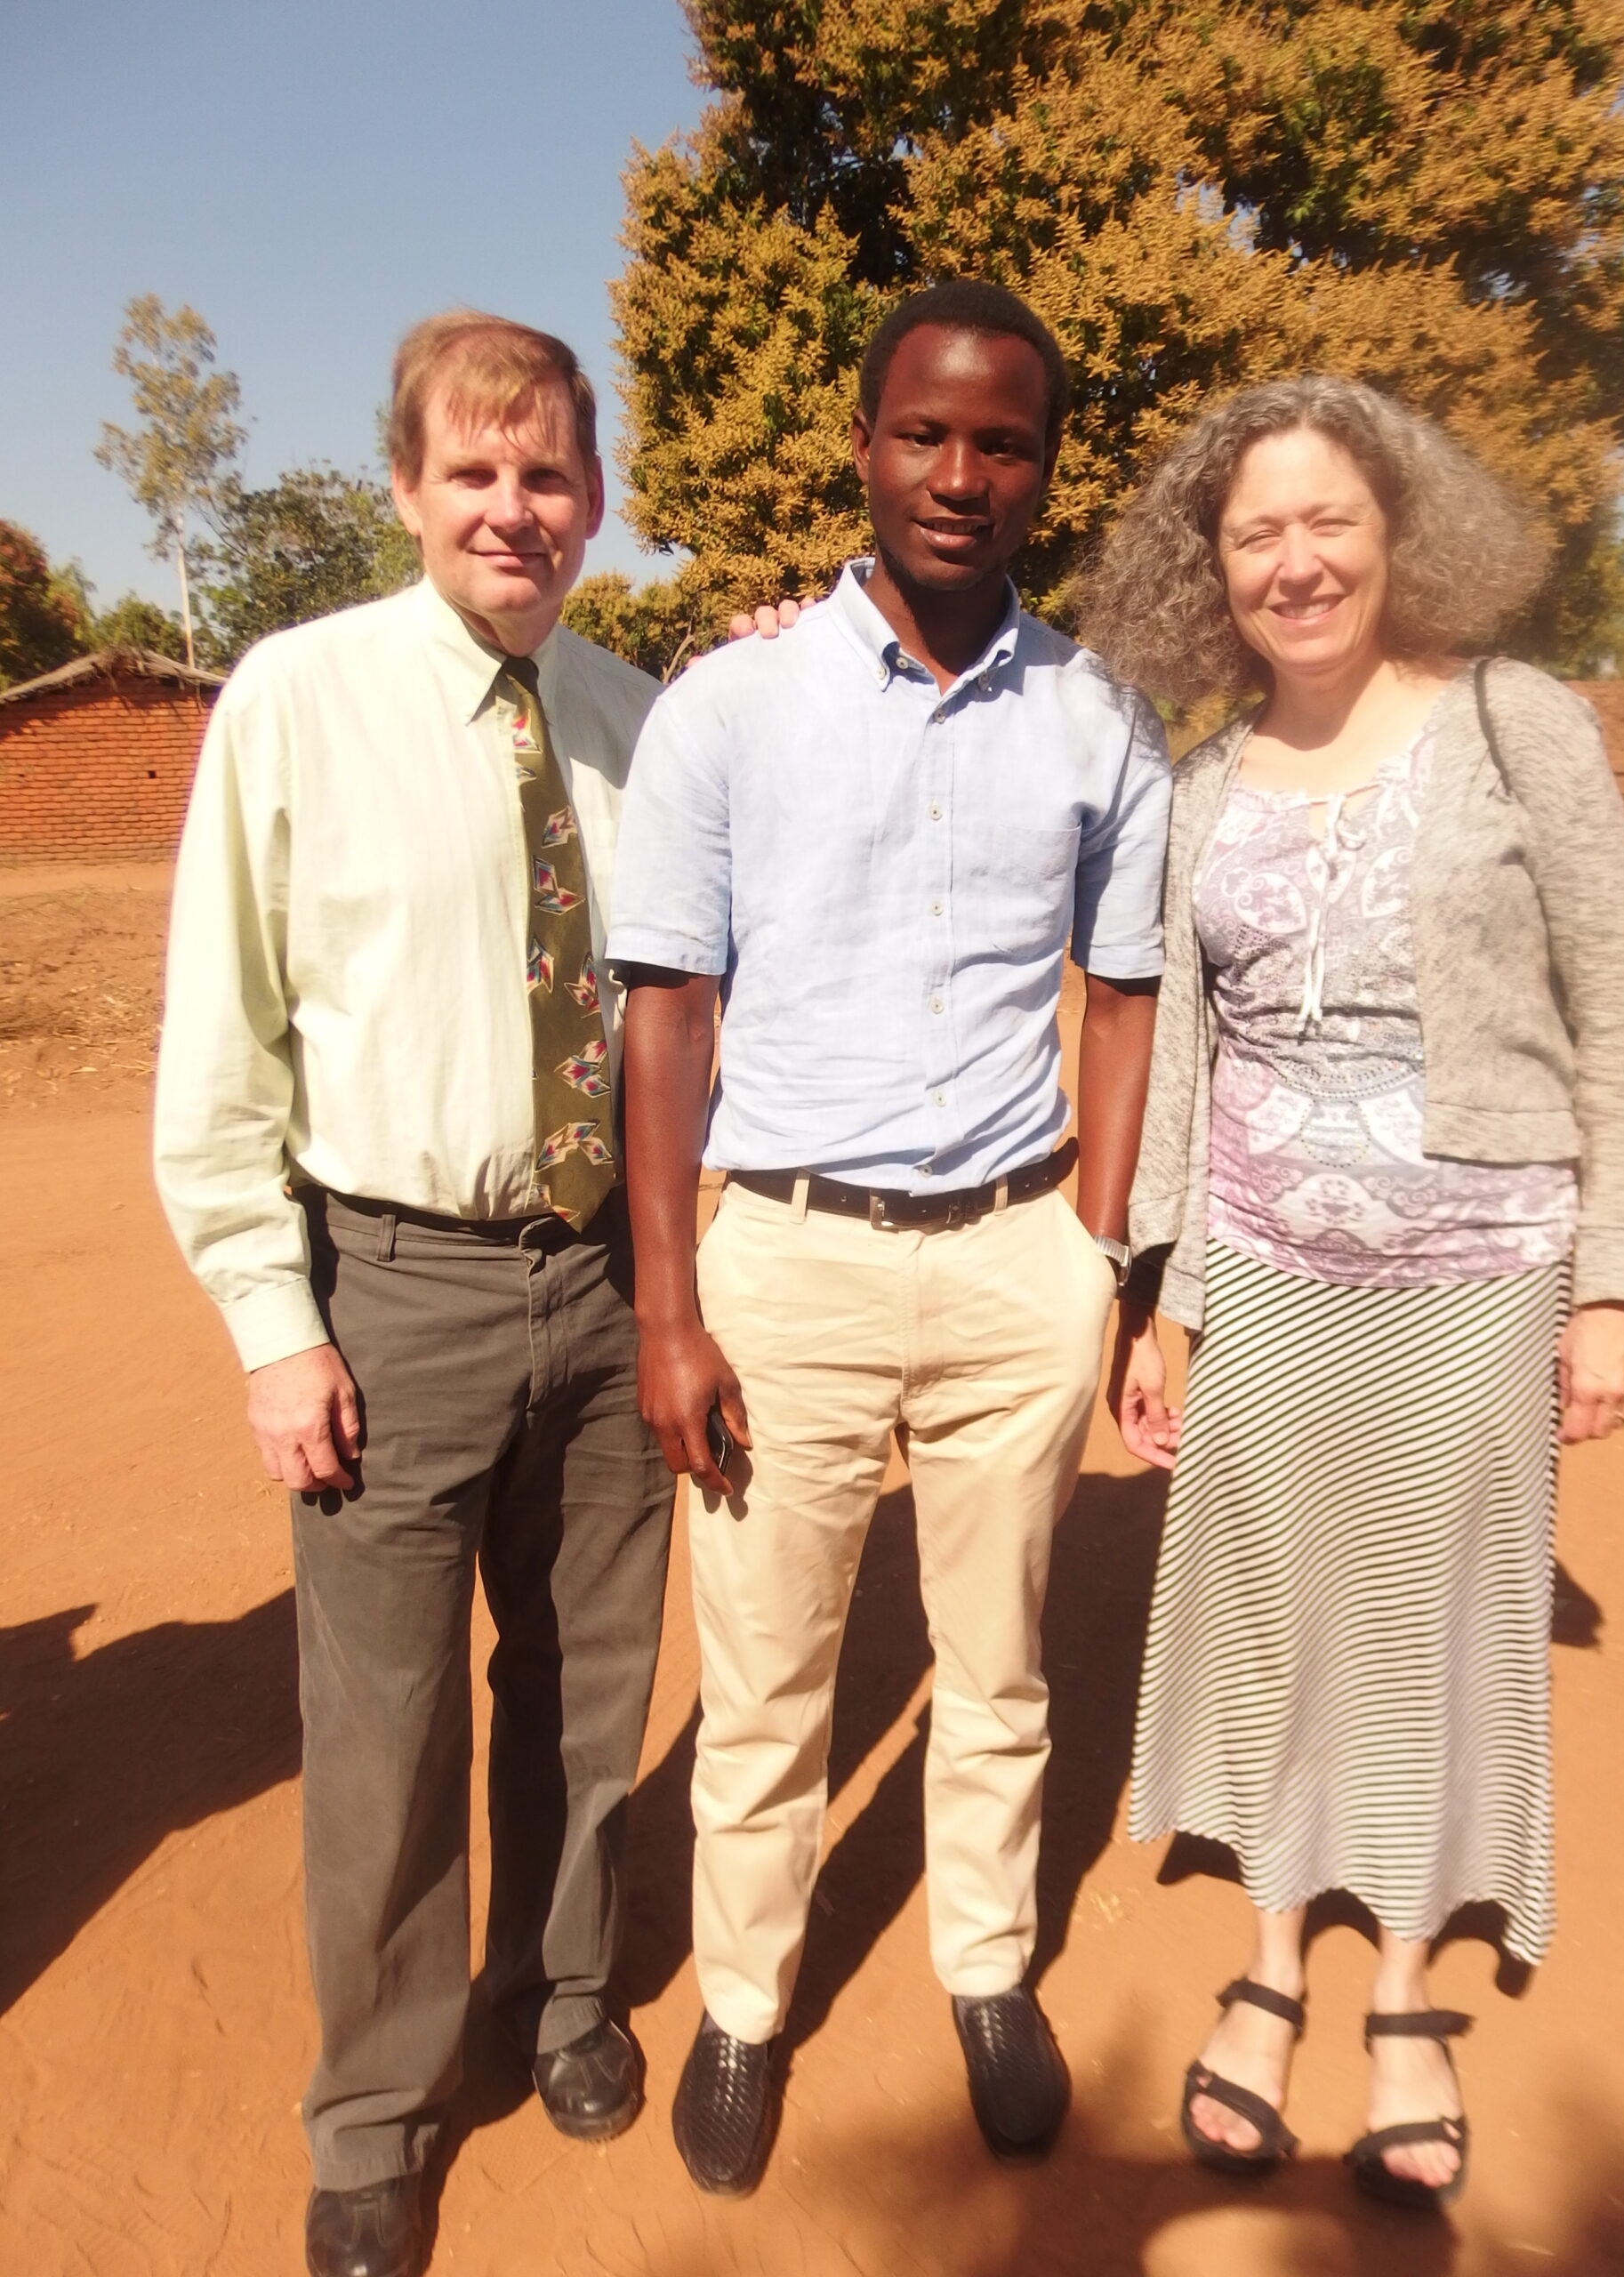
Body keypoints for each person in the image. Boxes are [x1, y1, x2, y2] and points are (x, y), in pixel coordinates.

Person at [605, 278, 1173, 2195]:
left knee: (998, 1663)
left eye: (1002, 441)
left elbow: (1122, 994)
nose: (958, 472)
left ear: (1044, 469)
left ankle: (987, 1968)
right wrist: (670, 1303)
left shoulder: (1100, 718)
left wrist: (1095, 1253)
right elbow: (669, 1005)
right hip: (789, 1263)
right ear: (864, 445)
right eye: (923, 432)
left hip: (1017, 1258)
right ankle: (744, 2003)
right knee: (768, 1678)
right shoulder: (730, 705)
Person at [1083, 376, 1624, 2210]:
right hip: (1264, 1270)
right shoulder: (1203, 782)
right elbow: (1188, 1062)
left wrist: (1618, 1284)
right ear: (1213, 568)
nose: (1297, 560)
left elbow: (1619, 1012)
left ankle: (1404, 1988)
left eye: (1327, 519)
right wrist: (1166, 1297)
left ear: (1397, 529)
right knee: (1270, 1615)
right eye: (1255, 532)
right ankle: (1272, 1957)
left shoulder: (1517, 723)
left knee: (1435, 1624)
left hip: (1478, 1276)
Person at [154, 311, 675, 2277]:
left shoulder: (643, 723)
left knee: (589, 1680)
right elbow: (224, 1035)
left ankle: (561, 1993)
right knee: (381, 1727)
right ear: (406, 489)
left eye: (548, 474)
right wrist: (274, 1325)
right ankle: (376, 2101)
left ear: (593, 499)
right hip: (390, 1288)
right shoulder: (297, 701)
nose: (511, 508)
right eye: (473, 471)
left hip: (608, 1283)